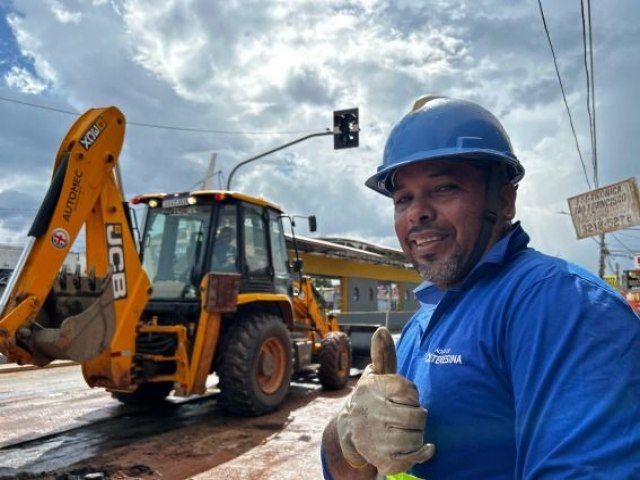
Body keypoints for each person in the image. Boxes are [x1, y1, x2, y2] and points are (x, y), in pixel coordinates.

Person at [320, 95, 640, 479]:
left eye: (443, 188)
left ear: (504, 200)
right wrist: (347, 433)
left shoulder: (561, 306)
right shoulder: (423, 324)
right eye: (403, 198)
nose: (417, 211)